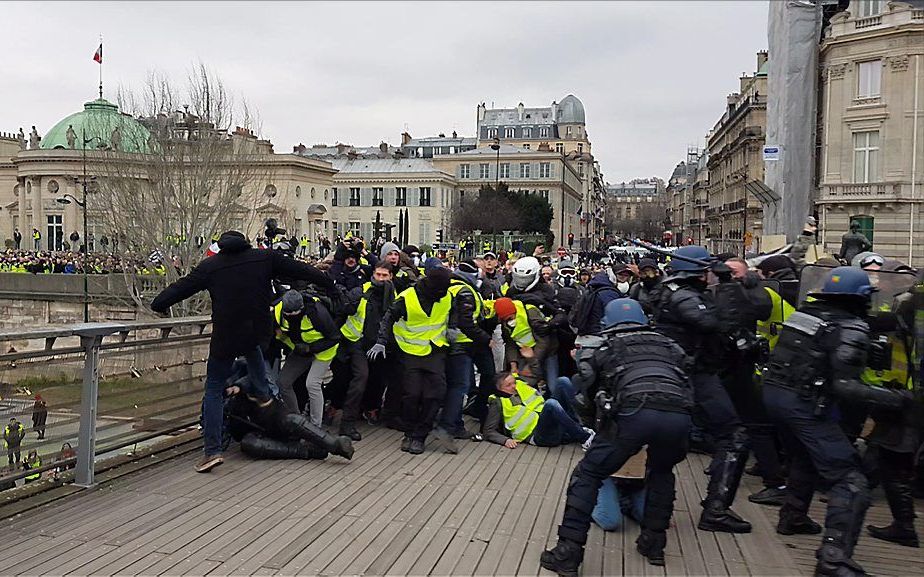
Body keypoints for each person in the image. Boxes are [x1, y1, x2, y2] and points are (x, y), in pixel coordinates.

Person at [762, 267, 913, 576]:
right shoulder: (851, 326)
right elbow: (846, 386)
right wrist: (900, 400)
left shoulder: (803, 316)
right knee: (850, 481)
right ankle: (833, 558)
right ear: (860, 299)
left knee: (803, 458)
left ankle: (793, 516)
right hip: (803, 404)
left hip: (774, 397)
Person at [151, 230, 337, 473]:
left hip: (225, 338)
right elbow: (301, 270)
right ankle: (269, 406)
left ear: (221, 247)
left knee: (214, 390)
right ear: (246, 243)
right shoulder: (264, 258)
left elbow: (182, 287)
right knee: (259, 374)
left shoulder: (212, 266)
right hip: (256, 335)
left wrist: (159, 305)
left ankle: (212, 451)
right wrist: (329, 283)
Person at [542, 299, 692, 573]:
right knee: (662, 472)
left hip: (635, 413)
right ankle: (654, 544)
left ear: (606, 323)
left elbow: (585, 396)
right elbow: (687, 374)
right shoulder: (669, 345)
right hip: (678, 417)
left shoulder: (604, 346)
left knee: (587, 474)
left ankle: (568, 552)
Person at [651, 245, 752, 533]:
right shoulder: (684, 295)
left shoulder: (673, 290)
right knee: (734, 437)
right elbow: (713, 323)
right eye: (707, 269)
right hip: (693, 374)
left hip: (684, 371)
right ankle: (716, 509)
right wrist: (729, 287)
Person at [370, 267, 453, 455]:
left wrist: (455, 330)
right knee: (412, 395)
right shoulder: (407, 297)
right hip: (409, 351)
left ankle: (420, 435)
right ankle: (409, 433)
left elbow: (452, 316)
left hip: (435, 349)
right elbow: (388, 318)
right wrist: (381, 342)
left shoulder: (447, 295)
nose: (444, 292)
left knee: (435, 394)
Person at [334, 263, 399, 440]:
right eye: (378, 275)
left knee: (379, 379)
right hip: (356, 343)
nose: (380, 279)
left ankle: (372, 409)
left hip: (379, 345)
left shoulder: (394, 296)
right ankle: (346, 424)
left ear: (391, 277)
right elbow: (343, 312)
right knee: (359, 378)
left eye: (384, 276)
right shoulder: (361, 291)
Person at [438, 260, 494, 450]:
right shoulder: (465, 291)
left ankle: (456, 424)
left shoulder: (449, 287)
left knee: (454, 385)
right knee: (459, 386)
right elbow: (466, 323)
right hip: (461, 344)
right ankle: (446, 427)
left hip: (446, 342)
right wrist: (486, 338)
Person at [224, 382, 352, 461]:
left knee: (291, 420)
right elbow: (237, 434)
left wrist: (239, 387)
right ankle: (307, 451)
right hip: (259, 433)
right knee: (249, 444)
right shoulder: (221, 393)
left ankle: (333, 443)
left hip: (275, 416)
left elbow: (256, 378)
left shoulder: (243, 365)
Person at [273, 289, 340, 426]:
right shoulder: (277, 310)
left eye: (294, 313)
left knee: (312, 383)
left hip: (324, 350)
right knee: (283, 382)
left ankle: (316, 426)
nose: (291, 316)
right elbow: (279, 333)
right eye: (288, 313)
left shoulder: (317, 313)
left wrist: (311, 348)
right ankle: (297, 420)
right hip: (300, 349)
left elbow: (334, 338)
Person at [482, 372, 591, 449]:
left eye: (513, 382)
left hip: (549, 421)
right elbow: (488, 431)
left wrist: (531, 359)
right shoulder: (497, 402)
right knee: (551, 404)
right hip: (539, 435)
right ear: (499, 389)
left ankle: (580, 426)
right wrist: (505, 440)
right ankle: (585, 438)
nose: (514, 386)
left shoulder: (521, 384)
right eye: (508, 385)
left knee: (562, 381)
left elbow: (537, 373)